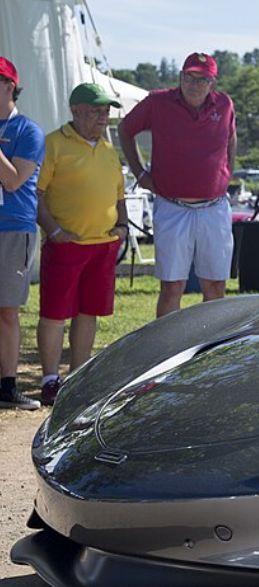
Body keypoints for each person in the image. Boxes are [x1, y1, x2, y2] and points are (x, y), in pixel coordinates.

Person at [119, 52, 237, 317]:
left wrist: (227, 171)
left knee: (216, 286)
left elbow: (231, 138)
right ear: (180, 77)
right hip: (172, 206)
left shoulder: (225, 105)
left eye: (201, 79)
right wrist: (140, 173)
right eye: (188, 76)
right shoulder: (157, 102)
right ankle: (167, 352)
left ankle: (210, 349)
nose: (193, 84)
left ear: (212, 83)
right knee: (172, 287)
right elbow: (125, 129)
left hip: (214, 207)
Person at [34, 83, 127, 406]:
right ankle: (49, 379)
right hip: (66, 245)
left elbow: (119, 194)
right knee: (55, 313)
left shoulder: (107, 148)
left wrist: (123, 225)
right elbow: (37, 193)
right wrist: (55, 231)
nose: (104, 117)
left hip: (103, 246)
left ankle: (78, 377)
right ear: (76, 111)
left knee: (89, 313)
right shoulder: (53, 144)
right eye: (97, 111)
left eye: (107, 111)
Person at [0, 56, 43, 410]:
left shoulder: (28, 131)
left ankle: (8, 386)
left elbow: (14, 180)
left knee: (7, 310)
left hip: (13, 227)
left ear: (10, 86)